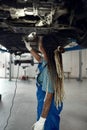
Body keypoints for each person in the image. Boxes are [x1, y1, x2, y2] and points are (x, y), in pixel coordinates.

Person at [23, 32, 65, 130]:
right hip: (46, 103)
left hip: (48, 108)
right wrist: (29, 48)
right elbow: (39, 58)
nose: (39, 46)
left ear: (45, 50)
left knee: (48, 127)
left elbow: (49, 97)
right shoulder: (49, 61)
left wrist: (42, 120)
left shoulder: (50, 71)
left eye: (41, 45)